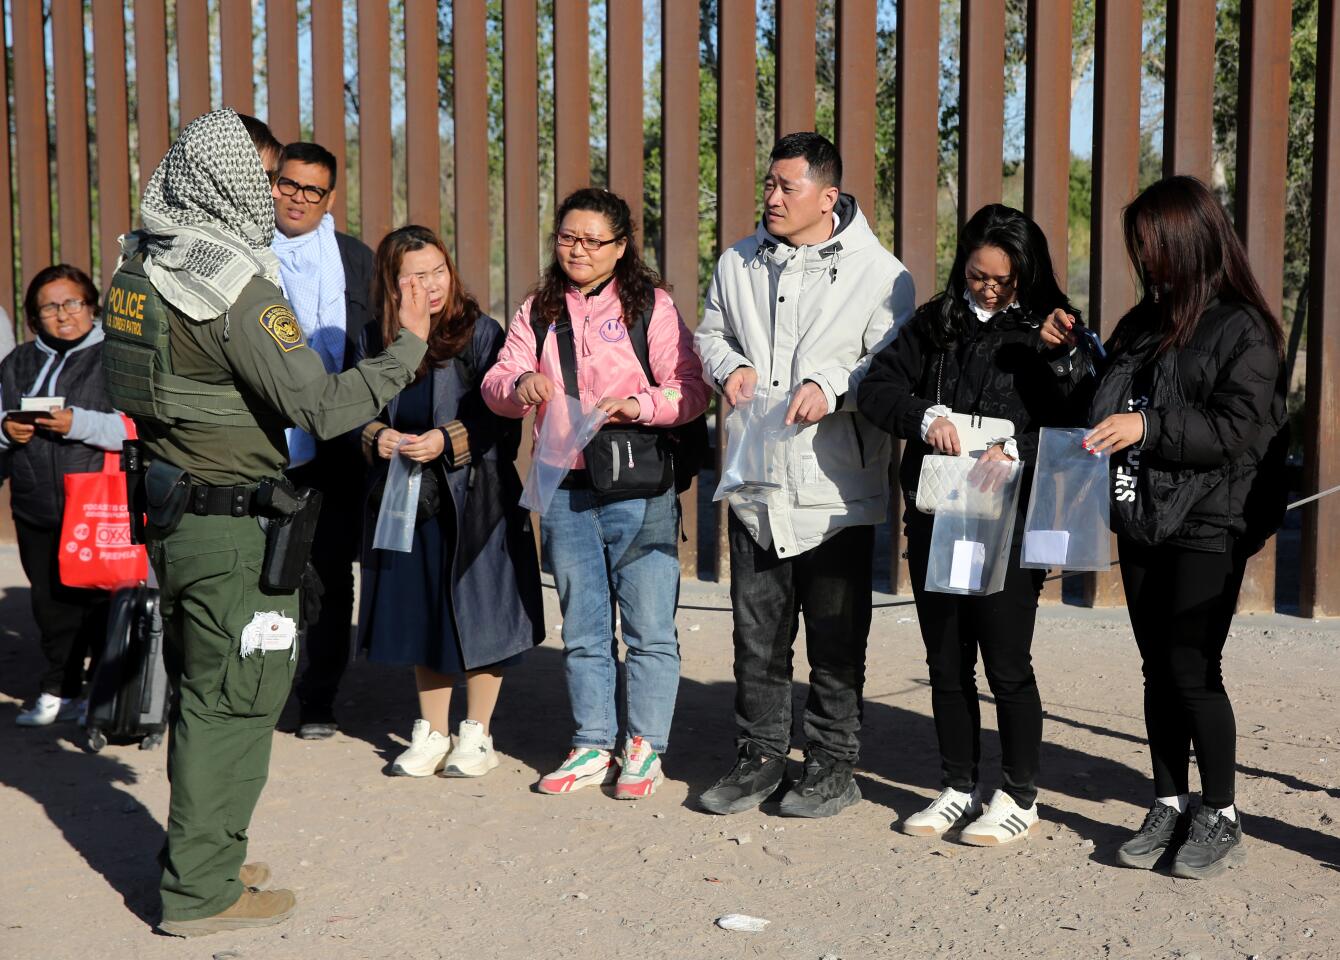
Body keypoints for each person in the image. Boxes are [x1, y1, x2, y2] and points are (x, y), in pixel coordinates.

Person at [100, 109, 432, 937]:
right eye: (259, 172)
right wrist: (408, 347)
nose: (267, 188)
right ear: (226, 180)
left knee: (204, 691)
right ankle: (202, 895)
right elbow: (318, 404)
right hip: (230, 522)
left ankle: (204, 855)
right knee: (236, 700)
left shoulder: (141, 263)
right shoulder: (231, 287)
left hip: (176, 510)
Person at [1042, 176, 1288, 879]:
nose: (1145, 260)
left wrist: (1147, 425)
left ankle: (1221, 812)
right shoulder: (1146, 319)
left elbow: (1236, 429)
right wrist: (1071, 353)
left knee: (1192, 665)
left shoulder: (1245, 328)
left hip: (1211, 517)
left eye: (1153, 245)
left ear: (1189, 239)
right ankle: (1168, 800)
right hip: (1142, 510)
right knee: (1157, 669)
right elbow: (1101, 399)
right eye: (1139, 248)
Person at [693, 132, 915, 819]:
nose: (773, 197)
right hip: (758, 479)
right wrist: (726, 368)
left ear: (829, 196)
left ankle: (830, 764)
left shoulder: (883, 275)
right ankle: (758, 756)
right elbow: (709, 334)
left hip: (834, 487)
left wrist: (830, 384)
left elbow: (887, 363)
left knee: (834, 634)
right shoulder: (737, 261)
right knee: (756, 634)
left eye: (788, 187)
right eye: (769, 183)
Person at [857, 204, 1081, 844]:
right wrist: (925, 417)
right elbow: (877, 388)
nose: (987, 289)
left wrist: (1020, 444)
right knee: (946, 660)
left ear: (1026, 275)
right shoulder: (937, 321)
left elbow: (1080, 418)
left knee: (1006, 661)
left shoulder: (1054, 329)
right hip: (940, 511)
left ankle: (1018, 795)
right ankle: (957, 784)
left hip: (1010, 520)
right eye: (977, 275)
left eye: (1002, 281)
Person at [481, 187, 709, 799]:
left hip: (638, 484)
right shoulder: (537, 309)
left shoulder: (651, 307)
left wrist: (638, 404)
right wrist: (519, 384)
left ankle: (644, 747)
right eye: (566, 237)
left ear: (621, 246)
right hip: (564, 484)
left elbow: (692, 389)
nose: (577, 250)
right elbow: (496, 380)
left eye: (592, 240)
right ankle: (591, 742)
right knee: (581, 626)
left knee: (649, 627)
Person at [357, 225, 543, 778]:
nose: (430, 285)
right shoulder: (374, 339)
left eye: (438, 271)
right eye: (414, 276)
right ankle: (432, 731)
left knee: (482, 610)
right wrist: (377, 437)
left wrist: (448, 438)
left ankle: (477, 732)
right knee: (423, 612)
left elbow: (502, 415)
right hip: (406, 496)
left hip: (474, 497)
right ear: (391, 285)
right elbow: (347, 407)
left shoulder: (479, 333)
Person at [270, 140, 376, 740]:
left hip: (335, 438)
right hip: (260, 437)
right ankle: (255, 693)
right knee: (256, 572)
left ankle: (318, 698)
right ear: (273, 183)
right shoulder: (245, 253)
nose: (299, 199)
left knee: (330, 572)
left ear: (329, 197)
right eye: (289, 184)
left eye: (312, 190)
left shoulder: (353, 259)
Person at [1, 265, 128, 725]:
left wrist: (80, 424)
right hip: (36, 504)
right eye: (50, 307)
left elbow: (135, 430)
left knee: (99, 604)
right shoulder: (16, 362)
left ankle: (103, 692)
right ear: (35, 318)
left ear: (91, 306)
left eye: (72, 303)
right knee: (50, 605)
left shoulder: (114, 356)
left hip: (96, 505)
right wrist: (5, 430)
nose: (63, 315)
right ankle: (60, 687)